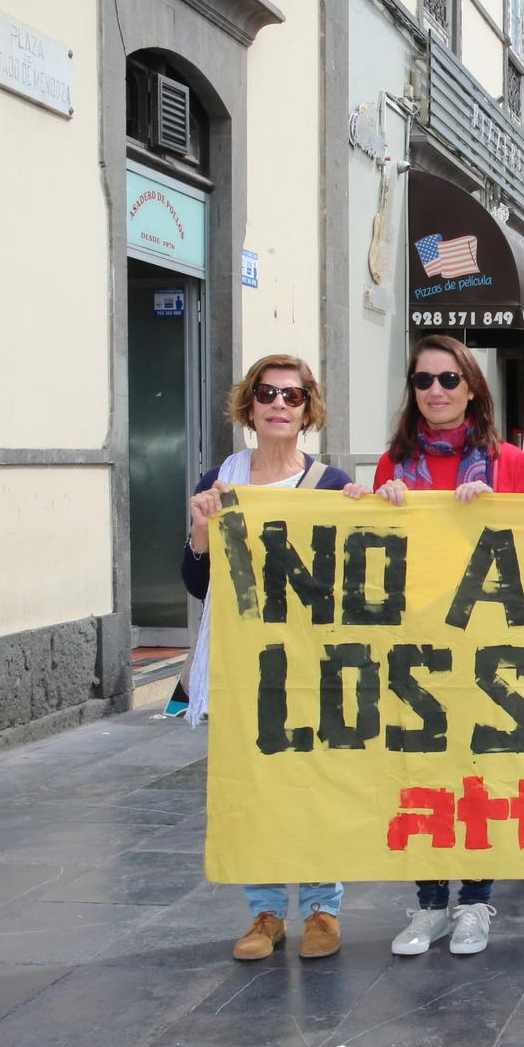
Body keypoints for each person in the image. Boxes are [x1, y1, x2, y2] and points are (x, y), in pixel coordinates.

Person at [342, 334, 524, 957]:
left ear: (472, 387)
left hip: (485, 644)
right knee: (421, 771)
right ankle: (428, 905)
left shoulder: (509, 462)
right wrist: (380, 507)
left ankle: (476, 903)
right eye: (423, 381)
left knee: (477, 773)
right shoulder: (391, 464)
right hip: (415, 644)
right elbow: (376, 555)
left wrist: (495, 512)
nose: (436, 392)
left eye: (449, 380)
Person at [182, 354, 354, 963]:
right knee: (250, 783)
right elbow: (200, 584)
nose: (279, 404)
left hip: (308, 662)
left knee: (312, 782)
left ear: (309, 410)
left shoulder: (331, 486)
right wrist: (201, 533)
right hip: (240, 662)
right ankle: (264, 911)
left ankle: (322, 909)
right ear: (249, 405)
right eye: (267, 393)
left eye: (293, 395)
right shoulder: (221, 478)